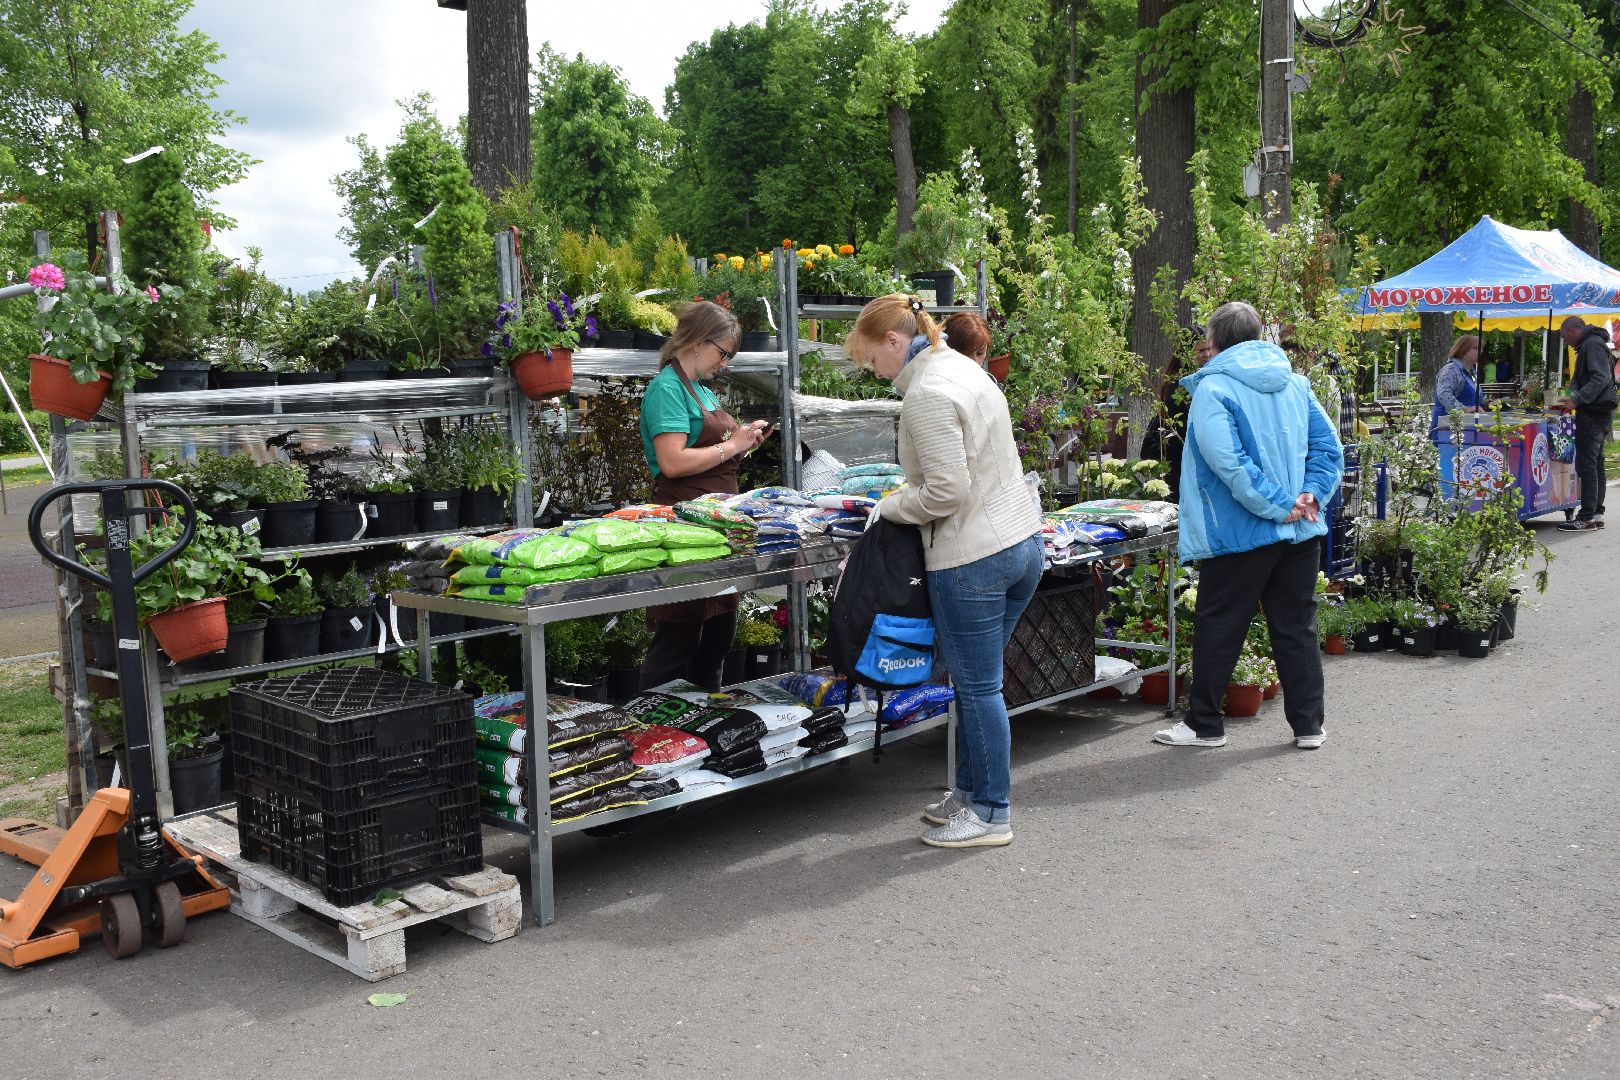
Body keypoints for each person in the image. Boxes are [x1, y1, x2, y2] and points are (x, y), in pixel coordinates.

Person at [850, 294, 1044, 849]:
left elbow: (945, 491)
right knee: (975, 683)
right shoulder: (962, 368)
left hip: (972, 556)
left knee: (978, 688)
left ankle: (990, 813)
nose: (874, 372)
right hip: (1019, 542)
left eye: (870, 359)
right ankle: (969, 794)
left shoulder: (926, 395)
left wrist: (888, 507)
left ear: (893, 340)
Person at [1154, 301, 1344, 751]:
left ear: (1214, 341)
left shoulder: (1214, 388)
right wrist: (1309, 496)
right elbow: (1328, 448)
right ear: (1260, 335)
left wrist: (1281, 506)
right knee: (1296, 627)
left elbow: (1230, 465)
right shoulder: (1296, 384)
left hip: (1243, 531)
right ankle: (1308, 726)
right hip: (1299, 531)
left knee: (1219, 624)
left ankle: (1204, 725)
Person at [637, 301, 771, 689]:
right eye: (723, 353)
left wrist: (745, 439)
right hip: (685, 532)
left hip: (715, 530)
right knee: (677, 640)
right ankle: (655, 730)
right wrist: (732, 446)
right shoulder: (667, 390)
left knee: (716, 638)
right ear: (697, 341)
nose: (725, 363)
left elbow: (713, 449)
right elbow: (673, 462)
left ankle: (703, 728)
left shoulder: (698, 389)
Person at [1555, 315, 1617, 531]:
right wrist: (1567, 396)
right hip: (1597, 410)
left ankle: (1587, 516)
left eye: (1565, 337)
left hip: (1593, 412)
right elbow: (1584, 378)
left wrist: (1576, 399)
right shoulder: (1590, 344)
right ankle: (1596, 512)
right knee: (1596, 463)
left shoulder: (1592, 345)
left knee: (1587, 465)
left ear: (1572, 330)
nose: (1566, 342)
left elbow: (1600, 378)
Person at [1431, 334, 1484, 437]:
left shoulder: (1471, 373)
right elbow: (1443, 394)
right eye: (1477, 348)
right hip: (1446, 431)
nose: (1481, 352)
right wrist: (1464, 409)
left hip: (1466, 430)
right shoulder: (1451, 369)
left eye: (1481, 349)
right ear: (1463, 350)